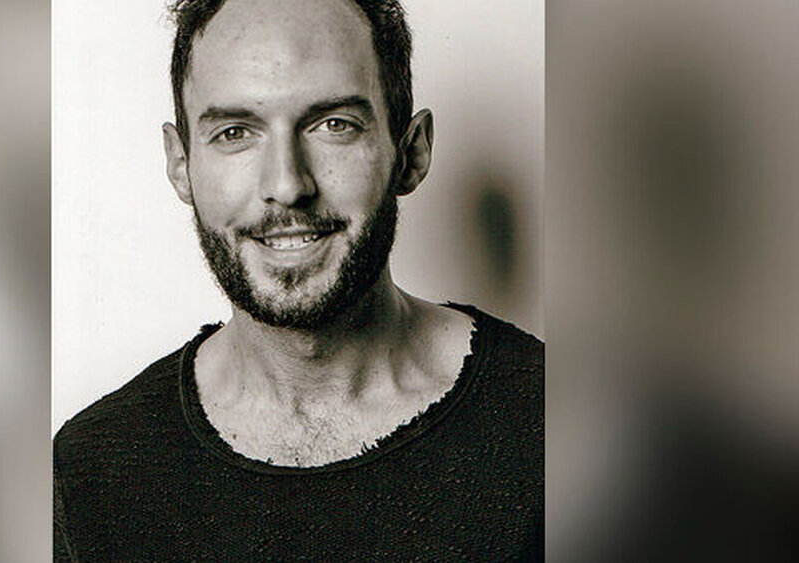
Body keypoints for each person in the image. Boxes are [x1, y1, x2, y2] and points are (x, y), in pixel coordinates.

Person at [53, 0, 543, 559]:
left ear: (410, 151)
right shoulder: (89, 473)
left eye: (334, 125)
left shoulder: (557, 427)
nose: (287, 185)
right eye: (235, 132)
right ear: (180, 164)